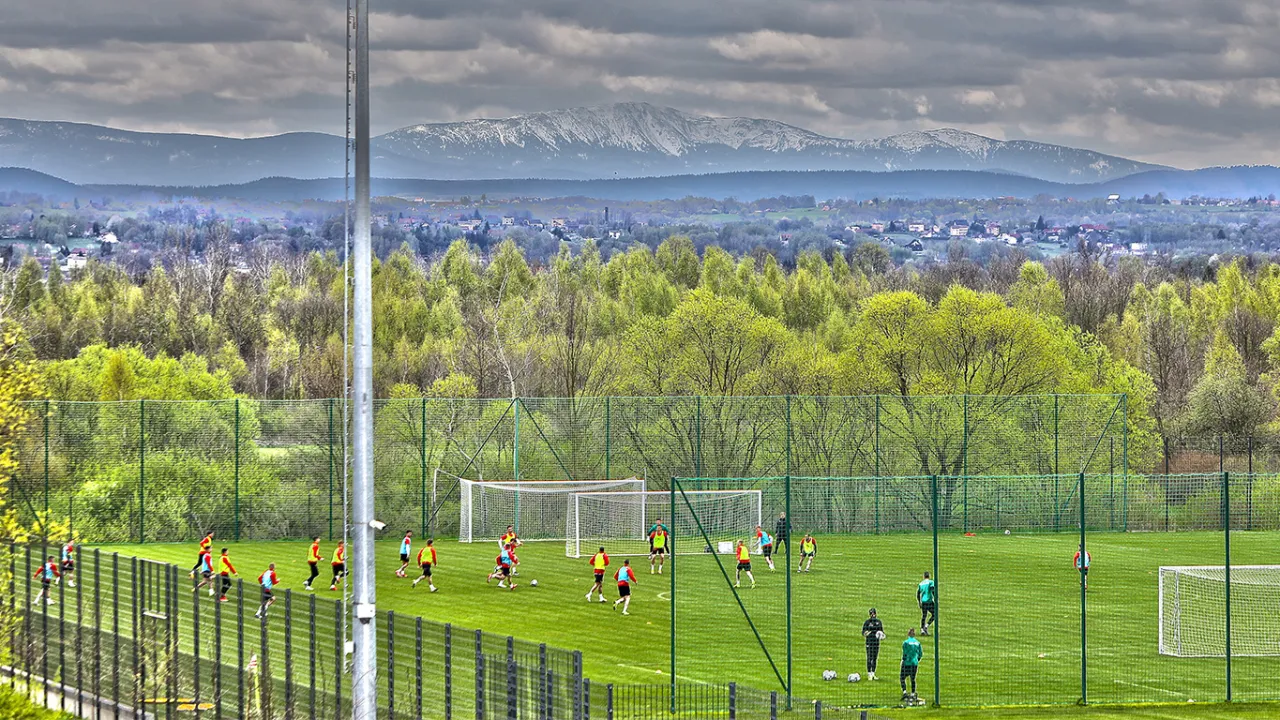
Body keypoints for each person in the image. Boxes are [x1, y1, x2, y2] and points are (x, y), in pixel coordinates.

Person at [900, 628, 923, 702]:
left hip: (907, 662)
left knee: (902, 677)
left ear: (908, 634)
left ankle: (905, 692)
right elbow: (920, 654)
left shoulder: (906, 642)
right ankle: (913, 693)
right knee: (913, 679)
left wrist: (903, 660)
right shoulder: (918, 643)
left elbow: (905, 653)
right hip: (914, 663)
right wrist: (917, 660)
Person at [861, 608, 884, 681]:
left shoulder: (879, 622)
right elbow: (863, 632)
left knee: (875, 658)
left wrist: (881, 635)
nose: (873, 615)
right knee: (869, 657)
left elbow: (881, 631)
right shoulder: (867, 622)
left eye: (873, 613)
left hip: (876, 642)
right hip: (869, 642)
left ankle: (873, 673)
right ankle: (869, 673)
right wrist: (867, 633)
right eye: (871, 614)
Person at [917, 572, 936, 636]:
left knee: (924, 615)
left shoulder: (921, 584)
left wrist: (919, 602)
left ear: (924, 576)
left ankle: (922, 629)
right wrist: (935, 598)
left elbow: (918, 593)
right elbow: (932, 589)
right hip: (929, 601)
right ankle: (926, 626)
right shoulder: (931, 582)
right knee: (935, 614)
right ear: (929, 576)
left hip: (923, 602)